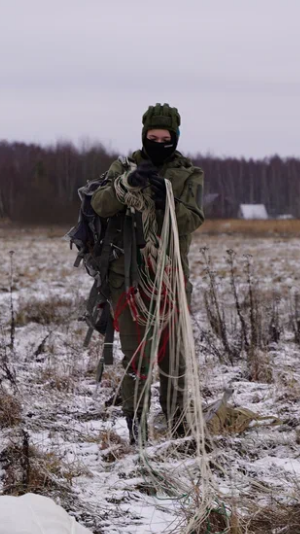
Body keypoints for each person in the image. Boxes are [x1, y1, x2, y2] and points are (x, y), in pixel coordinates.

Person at [90, 103, 205, 445]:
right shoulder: (123, 167)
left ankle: (178, 428)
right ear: (143, 136)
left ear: (175, 138)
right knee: (138, 356)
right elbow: (100, 204)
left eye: (165, 137)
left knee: (175, 358)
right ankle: (136, 428)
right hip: (128, 280)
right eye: (152, 137)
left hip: (171, 280)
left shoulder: (189, 175)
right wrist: (126, 186)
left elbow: (192, 219)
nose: (158, 142)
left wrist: (162, 200)